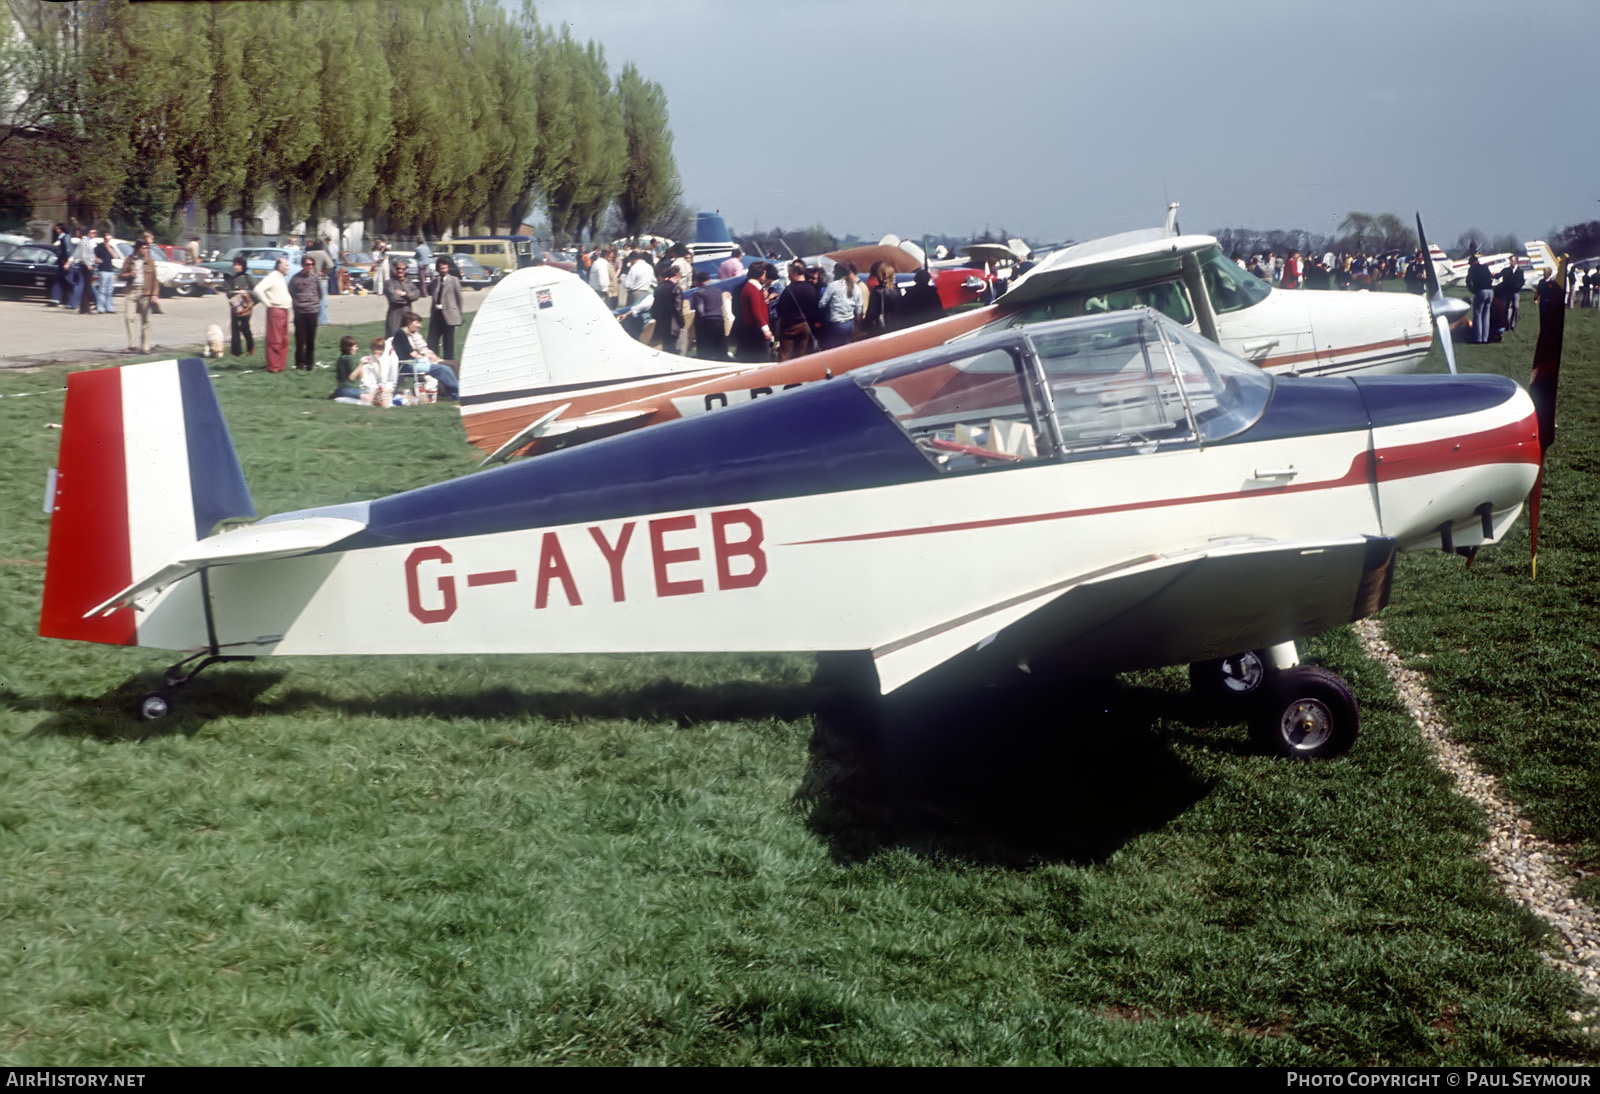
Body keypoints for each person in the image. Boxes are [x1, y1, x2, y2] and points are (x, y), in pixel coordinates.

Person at [389, 310, 459, 399]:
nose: (420, 325)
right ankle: (456, 392)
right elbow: (412, 353)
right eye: (417, 323)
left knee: (446, 368)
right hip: (408, 365)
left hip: (415, 363)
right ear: (409, 322)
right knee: (442, 369)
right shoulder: (400, 334)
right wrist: (426, 359)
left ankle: (453, 394)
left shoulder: (408, 334)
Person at [117, 239, 159, 352]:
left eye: (147, 248)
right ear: (138, 249)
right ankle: (132, 344)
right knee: (129, 317)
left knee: (146, 320)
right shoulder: (129, 259)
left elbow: (155, 279)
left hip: (145, 293)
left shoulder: (150, 261)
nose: (146, 250)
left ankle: (145, 347)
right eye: (143, 248)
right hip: (131, 291)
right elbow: (120, 275)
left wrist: (154, 294)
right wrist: (130, 274)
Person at [774, 259, 821, 360]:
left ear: (795, 273)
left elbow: (780, 309)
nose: (789, 276)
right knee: (802, 354)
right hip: (805, 325)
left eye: (789, 273)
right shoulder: (812, 289)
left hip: (789, 326)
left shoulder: (789, 290)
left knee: (785, 354)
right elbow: (815, 309)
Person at [253, 256, 291, 373]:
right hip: (276, 310)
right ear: (279, 266)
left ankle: (280, 365)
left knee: (284, 339)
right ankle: (273, 366)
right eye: (285, 265)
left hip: (284, 310)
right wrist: (267, 303)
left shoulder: (280, 278)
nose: (287, 267)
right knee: (275, 339)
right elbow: (258, 289)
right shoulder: (273, 277)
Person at [734, 261, 777, 362]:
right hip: (754, 331)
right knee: (762, 358)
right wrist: (766, 330)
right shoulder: (753, 290)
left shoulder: (752, 288)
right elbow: (756, 311)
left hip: (750, 330)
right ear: (762, 274)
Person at [818, 261, 864, 349]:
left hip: (836, 324)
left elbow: (822, 304)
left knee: (833, 349)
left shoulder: (833, 286)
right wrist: (858, 325)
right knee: (847, 348)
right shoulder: (856, 287)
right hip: (850, 323)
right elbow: (859, 309)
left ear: (837, 273)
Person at [289, 255, 322, 370]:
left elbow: (320, 293)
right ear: (303, 265)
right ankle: (299, 364)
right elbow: (291, 292)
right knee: (300, 340)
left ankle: (310, 363)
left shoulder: (315, 278)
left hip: (313, 312)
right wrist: (299, 304)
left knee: (311, 340)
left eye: (312, 264)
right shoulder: (295, 278)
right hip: (300, 313)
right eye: (308, 264)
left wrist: (314, 303)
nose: (310, 266)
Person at [428, 256, 464, 359]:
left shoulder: (454, 280)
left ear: (448, 268)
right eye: (441, 268)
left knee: (448, 343)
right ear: (438, 269)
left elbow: (459, 299)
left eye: (445, 268)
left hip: (450, 315)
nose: (443, 270)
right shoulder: (435, 282)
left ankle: (449, 364)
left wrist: (459, 315)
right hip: (437, 315)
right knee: (432, 341)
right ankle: (435, 362)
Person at [648, 260, 685, 355]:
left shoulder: (659, 288)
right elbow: (678, 308)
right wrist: (682, 322)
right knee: (676, 350)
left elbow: (655, 308)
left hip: (662, 324)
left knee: (666, 350)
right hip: (673, 325)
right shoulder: (676, 288)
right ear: (677, 275)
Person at [689, 271, 726, 359]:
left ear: (697, 281)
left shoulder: (698, 292)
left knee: (707, 351)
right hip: (719, 319)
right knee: (720, 348)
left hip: (707, 321)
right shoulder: (717, 291)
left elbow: (700, 310)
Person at [224, 257, 255, 357]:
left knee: (244, 327)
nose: (236, 267)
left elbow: (255, 290)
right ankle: (236, 351)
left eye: (239, 265)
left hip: (246, 307)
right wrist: (236, 292)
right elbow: (227, 292)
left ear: (243, 266)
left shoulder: (248, 277)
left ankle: (250, 346)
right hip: (235, 307)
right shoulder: (231, 278)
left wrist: (246, 293)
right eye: (235, 265)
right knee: (235, 328)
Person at [862, 260, 902, 335]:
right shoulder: (897, 290)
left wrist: (864, 327)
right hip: (896, 326)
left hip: (881, 327)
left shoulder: (877, 291)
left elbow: (871, 313)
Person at [384, 260, 421, 337]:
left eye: (403, 269)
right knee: (393, 338)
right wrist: (409, 299)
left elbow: (417, 294)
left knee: (408, 337)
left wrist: (405, 294)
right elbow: (394, 298)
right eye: (398, 268)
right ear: (394, 269)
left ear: (405, 270)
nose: (400, 271)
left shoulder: (409, 282)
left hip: (407, 314)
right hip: (394, 314)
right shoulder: (389, 283)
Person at [1465, 254, 1494, 344]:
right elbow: (1490, 278)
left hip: (1481, 292)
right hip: (1490, 291)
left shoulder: (1472, 269)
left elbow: (1468, 281)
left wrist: (1473, 291)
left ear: (1471, 263)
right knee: (1486, 315)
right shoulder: (1485, 267)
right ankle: (1485, 338)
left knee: (1477, 314)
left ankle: (1478, 338)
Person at [92, 230, 118, 314]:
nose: (109, 237)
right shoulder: (99, 247)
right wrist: (97, 259)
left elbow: (115, 256)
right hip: (103, 270)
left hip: (110, 270)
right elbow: (93, 255)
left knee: (110, 290)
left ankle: (109, 307)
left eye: (109, 236)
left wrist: (109, 248)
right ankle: (100, 307)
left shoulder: (110, 247)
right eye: (107, 236)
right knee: (102, 290)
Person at [331, 335, 363, 401]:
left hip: (340, 389)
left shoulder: (341, 358)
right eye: (355, 347)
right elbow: (351, 378)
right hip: (349, 389)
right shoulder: (349, 359)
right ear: (348, 347)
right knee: (371, 395)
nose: (357, 349)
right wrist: (361, 364)